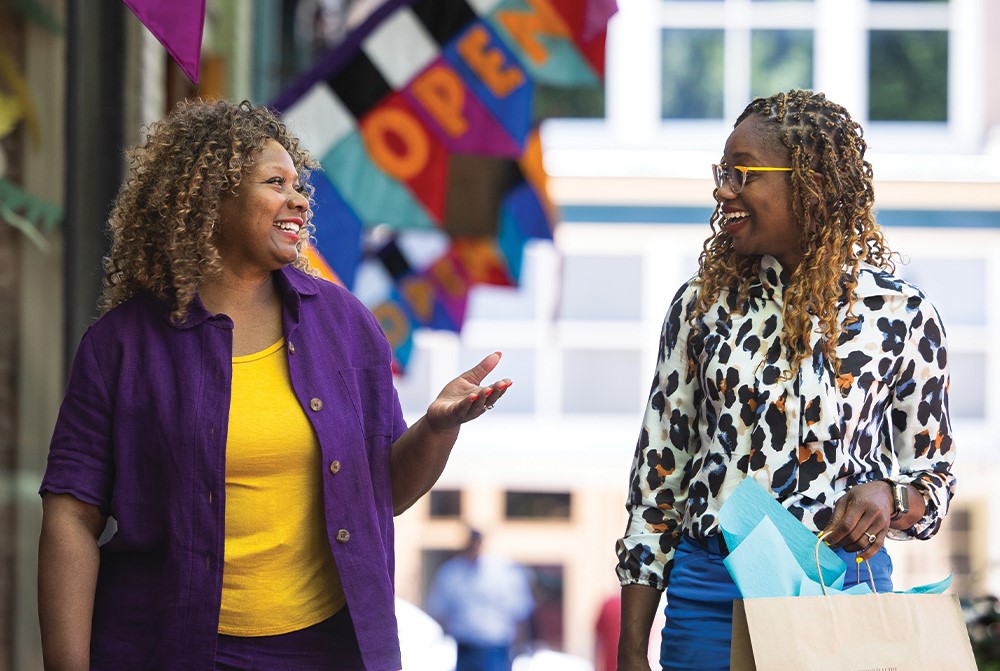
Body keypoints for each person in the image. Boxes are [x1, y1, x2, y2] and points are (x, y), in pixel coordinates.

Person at [37, 98, 512, 671]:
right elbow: (70, 516)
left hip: (325, 650)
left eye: (298, 184)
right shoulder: (122, 345)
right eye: (275, 182)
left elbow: (380, 497)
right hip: (165, 646)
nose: (299, 199)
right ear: (210, 199)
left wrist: (436, 430)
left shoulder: (345, 325)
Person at [615, 89, 956, 671]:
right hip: (709, 598)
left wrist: (891, 495)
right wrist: (629, 649)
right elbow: (657, 484)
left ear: (810, 183)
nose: (724, 190)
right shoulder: (702, 306)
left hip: (842, 598)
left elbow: (936, 482)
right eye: (723, 173)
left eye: (742, 173)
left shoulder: (903, 315)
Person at [425, 528, 535, 671]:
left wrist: (521, 644)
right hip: (464, 646)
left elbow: (519, 611)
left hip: (494, 647)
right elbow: (439, 608)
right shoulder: (452, 572)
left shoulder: (501, 571)